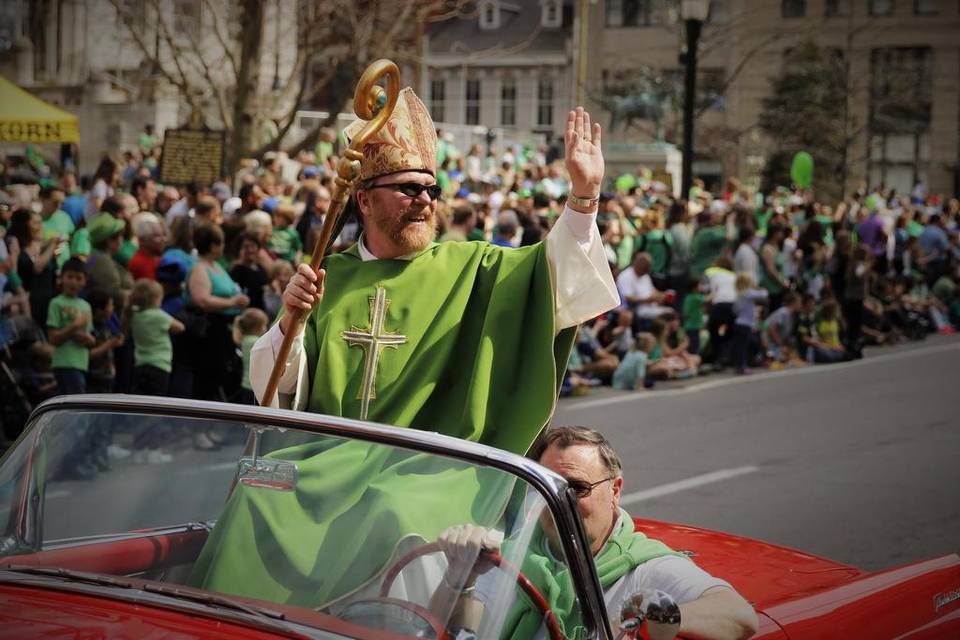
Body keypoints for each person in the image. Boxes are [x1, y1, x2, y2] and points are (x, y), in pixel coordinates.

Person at [194, 98, 618, 605]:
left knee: (393, 511)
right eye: (409, 188)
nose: (425, 200)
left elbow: (557, 280)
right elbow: (276, 387)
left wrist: (584, 197)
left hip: (428, 466)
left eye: (431, 189)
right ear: (365, 201)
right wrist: (292, 318)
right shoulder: (330, 274)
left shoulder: (473, 268)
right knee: (254, 499)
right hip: (330, 460)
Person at [434, 427, 758, 640]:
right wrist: (460, 578)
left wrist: (648, 616)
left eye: (577, 488)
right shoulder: (515, 554)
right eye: (548, 488)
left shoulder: (643, 565)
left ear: (615, 491)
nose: (560, 503)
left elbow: (740, 616)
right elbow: (451, 629)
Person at [127, 278, 185, 396]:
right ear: (155, 299)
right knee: (156, 400)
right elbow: (180, 327)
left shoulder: (133, 314)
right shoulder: (158, 316)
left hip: (140, 363)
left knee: (140, 399)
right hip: (159, 365)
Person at [47, 257, 95, 394]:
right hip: (64, 362)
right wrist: (75, 326)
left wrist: (89, 339)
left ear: (85, 281)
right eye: (70, 277)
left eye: (78, 278)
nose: (73, 282)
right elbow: (53, 338)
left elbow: (89, 336)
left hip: (82, 364)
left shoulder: (85, 306)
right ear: (62, 278)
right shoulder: (56, 303)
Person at [730, 272, 767, 375]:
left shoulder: (738, 295)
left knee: (739, 346)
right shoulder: (749, 293)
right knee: (744, 347)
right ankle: (743, 367)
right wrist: (757, 287)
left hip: (738, 323)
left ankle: (738, 366)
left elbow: (735, 310)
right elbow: (764, 294)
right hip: (746, 324)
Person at [232, 307, 269, 405]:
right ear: (257, 327)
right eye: (265, 325)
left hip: (247, 385)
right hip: (253, 387)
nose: (266, 328)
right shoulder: (254, 341)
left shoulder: (245, 339)